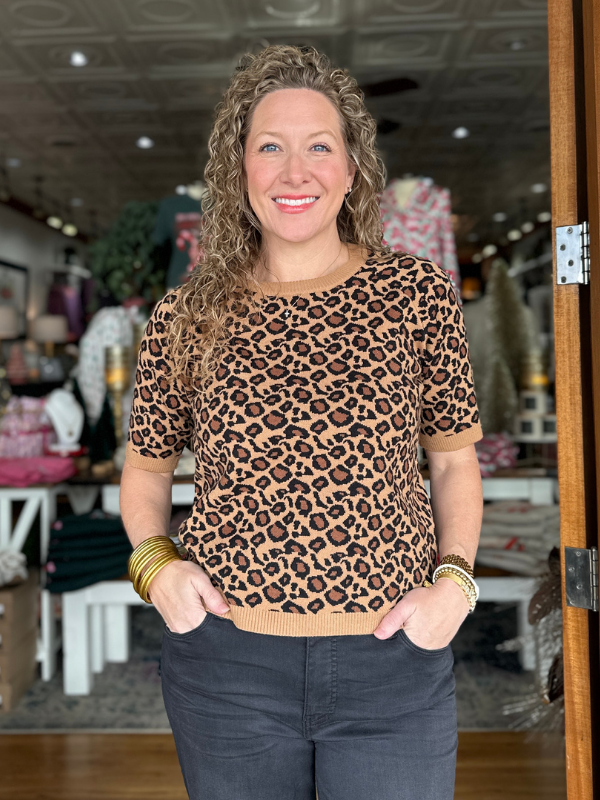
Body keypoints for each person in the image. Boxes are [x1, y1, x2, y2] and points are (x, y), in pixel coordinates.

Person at [120, 44, 484, 800]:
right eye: (271, 147)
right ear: (239, 169)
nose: (296, 172)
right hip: (227, 670)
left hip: (393, 666)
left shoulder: (417, 295)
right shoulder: (187, 314)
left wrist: (455, 584)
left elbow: (453, 462)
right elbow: (147, 469)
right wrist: (157, 572)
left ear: (352, 168)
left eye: (320, 146)